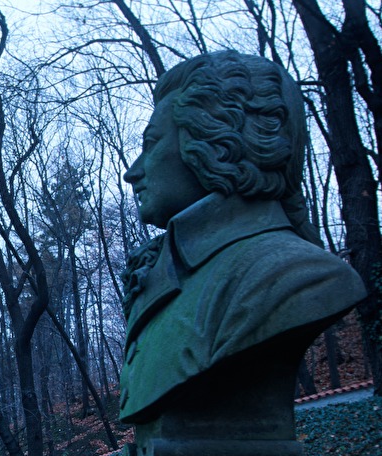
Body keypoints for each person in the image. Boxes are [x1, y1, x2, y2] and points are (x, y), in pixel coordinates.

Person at [118, 51, 365, 424]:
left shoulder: (297, 277)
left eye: (151, 143)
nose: (133, 172)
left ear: (217, 143)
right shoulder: (162, 274)